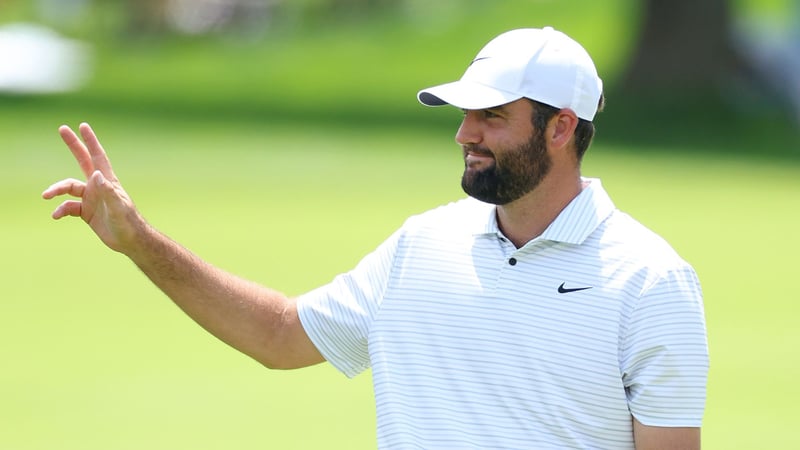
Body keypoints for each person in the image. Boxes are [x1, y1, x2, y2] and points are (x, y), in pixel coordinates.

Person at [43, 27, 709, 449]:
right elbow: (278, 336)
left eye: (492, 117)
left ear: (561, 129)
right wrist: (141, 242)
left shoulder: (649, 280)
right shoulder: (420, 247)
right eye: (465, 115)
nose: (464, 134)